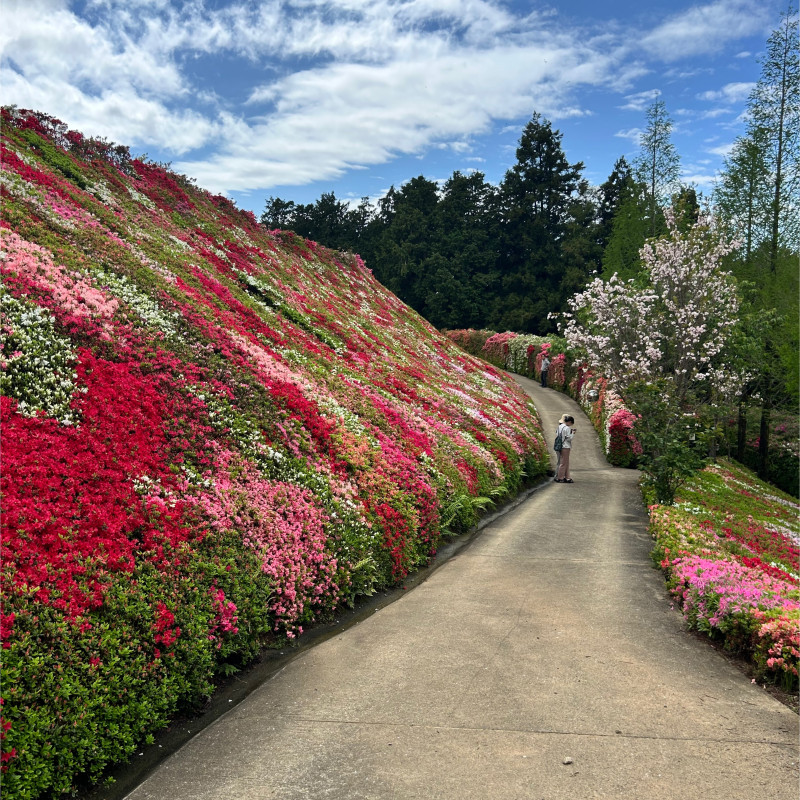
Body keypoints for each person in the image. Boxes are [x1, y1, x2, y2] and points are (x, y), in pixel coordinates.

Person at [554, 415, 576, 483]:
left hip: (560, 446)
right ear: (569, 422)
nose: (571, 425)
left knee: (564, 462)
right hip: (565, 446)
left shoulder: (560, 426)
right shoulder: (567, 428)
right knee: (563, 462)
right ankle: (560, 477)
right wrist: (573, 433)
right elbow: (569, 438)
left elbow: (557, 434)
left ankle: (567, 477)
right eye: (571, 423)